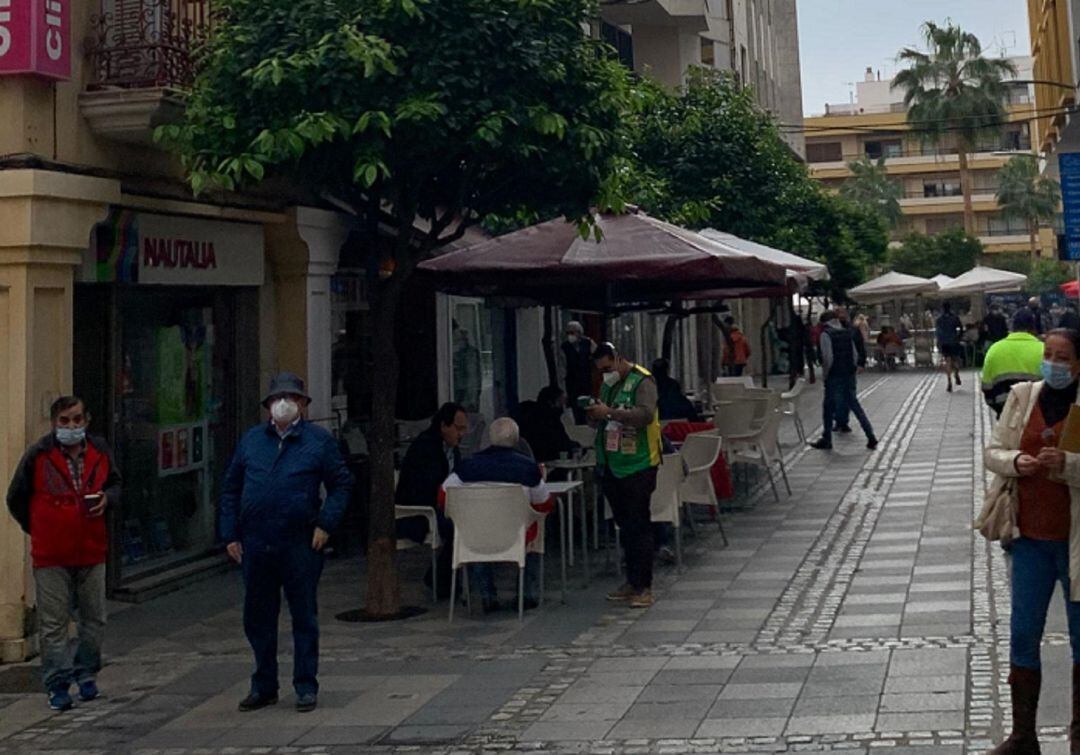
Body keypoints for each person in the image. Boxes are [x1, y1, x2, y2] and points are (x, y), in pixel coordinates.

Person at [219, 372, 353, 713]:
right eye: (280, 399)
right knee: (258, 617)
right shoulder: (251, 441)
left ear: (304, 406)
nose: (285, 404)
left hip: (300, 541)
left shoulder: (318, 442)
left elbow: (341, 484)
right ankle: (264, 684)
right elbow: (231, 489)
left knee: (303, 615)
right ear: (267, 407)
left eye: (293, 399)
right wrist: (230, 533)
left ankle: (305, 685)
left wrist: (326, 524)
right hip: (256, 541)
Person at [984, 328, 1080, 754]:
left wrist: (1070, 464)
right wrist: (1016, 461)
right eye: (1049, 354)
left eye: (1062, 357)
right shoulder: (1023, 397)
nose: (1053, 363)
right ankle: (1024, 737)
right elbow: (993, 451)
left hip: (1076, 543)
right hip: (1029, 537)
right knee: (1023, 632)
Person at [6, 396, 121, 712]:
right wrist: (41, 529)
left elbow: (115, 484)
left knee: (94, 619)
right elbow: (16, 497)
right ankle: (57, 685)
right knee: (53, 624)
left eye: (76, 420)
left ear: (87, 420)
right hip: (51, 555)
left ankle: (86, 674)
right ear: (54, 423)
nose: (71, 426)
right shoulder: (38, 456)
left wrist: (107, 499)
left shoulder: (99, 452)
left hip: (91, 549)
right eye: (64, 421)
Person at [441, 418, 553, 612]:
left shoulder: (466, 467)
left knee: (474, 528)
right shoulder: (528, 469)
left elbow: (444, 497)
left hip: (476, 536)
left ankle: (487, 596)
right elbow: (544, 504)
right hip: (518, 536)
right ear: (517, 440)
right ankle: (527, 594)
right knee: (538, 527)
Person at [587, 342, 662, 608]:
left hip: (638, 464)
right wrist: (595, 415)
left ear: (618, 359)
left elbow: (645, 415)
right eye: (600, 371)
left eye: (608, 367)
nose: (605, 374)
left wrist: (609, 412)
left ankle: (644, 586)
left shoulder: (642, 380)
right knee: (625, 527)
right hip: (612, 464)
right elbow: (606, 415)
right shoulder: (608, 385)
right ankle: (632, 580)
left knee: (639, 525)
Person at [396, 402, 469, 596]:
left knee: (468, 524)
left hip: (444, 505)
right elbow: (424, 487)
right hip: (421, 510)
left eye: (463, 429)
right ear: (444, 426)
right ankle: (442, 579)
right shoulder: (426, 447)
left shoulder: (452, 449)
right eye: (458, 428)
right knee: (458, 528)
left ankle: (445, 578)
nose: (461, 434)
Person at [810, 311, 878, 451]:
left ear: (825, 322)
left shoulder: (826, 335)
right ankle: (870, 435)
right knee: (854, 405)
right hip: (848, 374)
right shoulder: (847, 333)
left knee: (828, 407)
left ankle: (827, 438)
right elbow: (854, 355)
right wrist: (852, 369)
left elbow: (828, 358)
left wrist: (826, 374)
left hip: (834, 375)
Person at [982, 309, 1044, 418]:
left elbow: (987, 387)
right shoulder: (1043, 349)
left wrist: (1000, 409)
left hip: (1005, 412)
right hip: (1036, 414)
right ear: (1033, 328)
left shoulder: (995, 350)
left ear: (1012, 327)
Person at [516, 386, 579, 463]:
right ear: (552, 402)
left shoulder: (526, 415)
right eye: (560, 403)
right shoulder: (550, 419)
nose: (563, 408)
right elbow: (560, 442)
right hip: (547, 459)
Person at [562, 321, 596, 423]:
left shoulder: (589, 343)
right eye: (568, 333)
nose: (570, 335)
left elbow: (596, 358)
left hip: (586, 381)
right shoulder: (565, 347)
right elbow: (562, 365)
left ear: (579, 333)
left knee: (587, 405)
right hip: (572, 383)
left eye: (572, 332)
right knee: (575, 407)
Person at [936, 303, 964, 393]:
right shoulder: (954, 317)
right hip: (954, 341)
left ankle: (949, 381)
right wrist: (959, 337)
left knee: (947, 361)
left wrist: (939, 343)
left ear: (942, 309)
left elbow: (937, 332)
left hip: (944, 342)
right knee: (956, 359)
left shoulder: (939, 319)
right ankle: (956, 373)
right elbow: (961, 328)